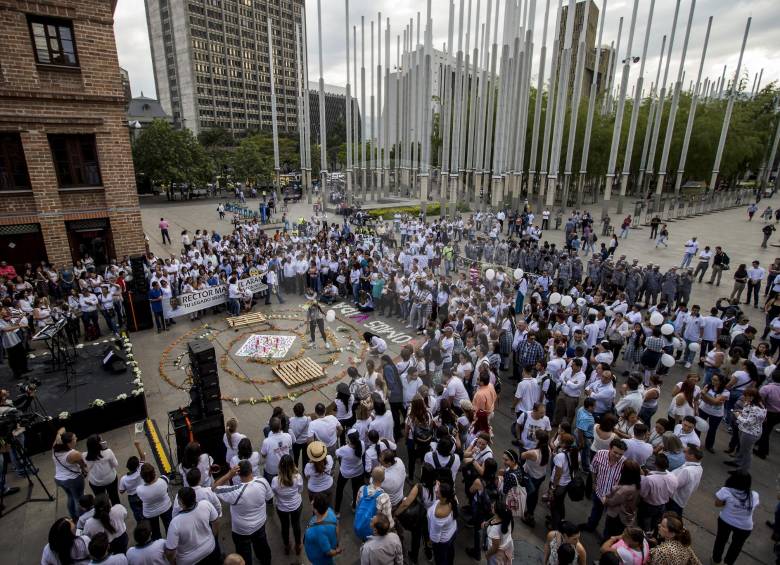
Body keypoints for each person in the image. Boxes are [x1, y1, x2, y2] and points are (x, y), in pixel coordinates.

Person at [213, 460, 273, 565]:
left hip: (242, 530)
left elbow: (214, 488)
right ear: (251, 470)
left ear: (238, 474)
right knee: (263, 548)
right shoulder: (262, 481)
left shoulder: (236, 491)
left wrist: (229, 474)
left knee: (244, 555)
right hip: (260, 524)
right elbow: (269, 497)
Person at [712, 472, 760, 565]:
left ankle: (716, 560)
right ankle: (728, 563)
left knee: (721, 540)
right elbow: (753, 507)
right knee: (736, 546)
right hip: (745, 526)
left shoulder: (726, 491)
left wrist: (728, 503)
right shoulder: (754, 495)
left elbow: (717, 504)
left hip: (726, 520)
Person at [164, 487, 219, 565]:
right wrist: (213, 537)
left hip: (188, 561)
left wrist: (173, 563)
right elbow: (216, 522)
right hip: (210, 549)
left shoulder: (175, 523)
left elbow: (170, 551)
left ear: (181, 502)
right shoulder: (206, 504)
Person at [581, 439, 627, 533]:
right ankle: (590, 526)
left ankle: (606, 538)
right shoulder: (600, 454)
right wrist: (594, 483)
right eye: (615, 452)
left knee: (610, 518)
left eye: (620, 454)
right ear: (610, 448)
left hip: (613, 497)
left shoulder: (624, 463)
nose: (618, 456)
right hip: (599, 491)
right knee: (596, 510)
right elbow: (593, 469)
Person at [271, 454, 304, 556]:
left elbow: (275, 494)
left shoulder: (275, 481)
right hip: (296, 505)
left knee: (284, 527)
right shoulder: (298, 477)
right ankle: (298, 545)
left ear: (280, 466)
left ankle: (286, 546)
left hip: (282, 508)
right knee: (296, 524)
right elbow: (300, 490)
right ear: (292, 465)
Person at [52, 428, 87, 520]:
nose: (77, 439)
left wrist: (58, 436)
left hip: (60, 479)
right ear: (69, 443)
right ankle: (82, 519)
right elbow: (83, 464)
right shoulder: (74, 454)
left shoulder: (55, 447)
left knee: (70, 496)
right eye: (74, 438)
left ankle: (74, 517)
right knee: (78, 499)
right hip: (73, 480)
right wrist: (83, 469)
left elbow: (61, 429)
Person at [136, 463, 173, 541]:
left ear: (142, 477)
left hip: (150, 513)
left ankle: (158, 545)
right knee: (169, 528)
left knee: (155, 533)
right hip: (166, 507)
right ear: (154, 473)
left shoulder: (139, 489)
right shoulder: (163, 480)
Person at [304, 492, 342, 565]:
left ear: (316, 510)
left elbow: (328, 551)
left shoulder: (317, 531)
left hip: (321, 560)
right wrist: (336, 542)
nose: (311, 502)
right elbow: (337, 524)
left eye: (313, 502)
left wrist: (337, 551)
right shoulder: (329, 511)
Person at [83, 435, 120, 506]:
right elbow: (115, 464)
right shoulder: (108, 452)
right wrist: (105, 449)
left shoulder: (84, 456)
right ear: (98, 444)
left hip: (95, 482)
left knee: (101, 500)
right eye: (101, 441)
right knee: (114, 496)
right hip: (110, 479)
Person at [427, 482, 458, 565]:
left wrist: (431, 541)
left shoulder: (439, 513)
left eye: (438, 492)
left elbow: (435, 535)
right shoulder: (452, 499)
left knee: (441, 559)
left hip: (443, 541)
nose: (436, 491)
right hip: (452, 532)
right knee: (450, 552)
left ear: (444, 497)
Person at [668, 446, 704, 517]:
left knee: (671, 517)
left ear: (692, 456)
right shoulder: (699, 467)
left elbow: (675, 484)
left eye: (686, 453)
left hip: (675, 500)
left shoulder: (687, 471)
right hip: (681, 499)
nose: (684, 454)